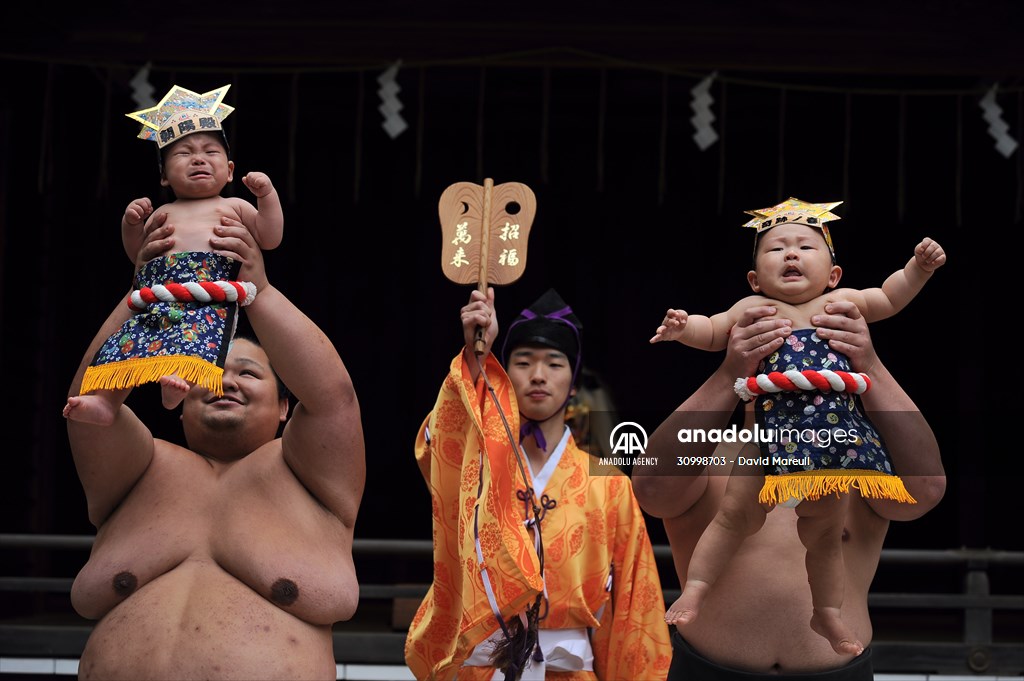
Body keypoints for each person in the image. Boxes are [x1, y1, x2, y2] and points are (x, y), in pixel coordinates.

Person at [64, 216, 364, 680]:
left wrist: (256, 288)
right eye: (207, 371)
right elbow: (87, 403)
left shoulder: (312, 477)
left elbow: (333, 398)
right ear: (179, 399)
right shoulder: (139, 470)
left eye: (248, 373)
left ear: (286, 406)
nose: (226, 381)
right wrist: (145, 292)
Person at [646, 198, 945, 656]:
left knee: (823, 533)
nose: (790, 254)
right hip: (710, 667)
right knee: (732, 516)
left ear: (834, 275)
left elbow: (926, 488)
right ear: (753, 279)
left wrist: (873, 361)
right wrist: (720, 362)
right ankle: (696, 590)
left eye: (805, 246)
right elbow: (650, 488)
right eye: (776, 248)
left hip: (831, 442)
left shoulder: (844, 310)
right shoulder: (749, 312)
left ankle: (827, 613)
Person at [405, 288, 672, 680]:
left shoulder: (609, 483)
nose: (538, 376)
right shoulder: (477, 468)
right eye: (523, 362)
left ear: (575, 382)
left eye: (554, 364)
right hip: (482, 667)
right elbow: (441, 444)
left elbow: (634, 601)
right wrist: (477, 358)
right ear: (504, 375)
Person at [65, 84, 283, 426]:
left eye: (210, 152)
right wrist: (131, 224)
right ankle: (107, 404)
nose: (197, 158)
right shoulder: (161, 213)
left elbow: (270, 238)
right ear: (165, 176)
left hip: (208, 292)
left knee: (200, 347)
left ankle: (177, 391)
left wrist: (267, 196)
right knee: (124, 346)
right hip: (157, 295)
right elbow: (138, 257)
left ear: (229, 170)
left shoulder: (235, 206)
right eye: (183, 153)